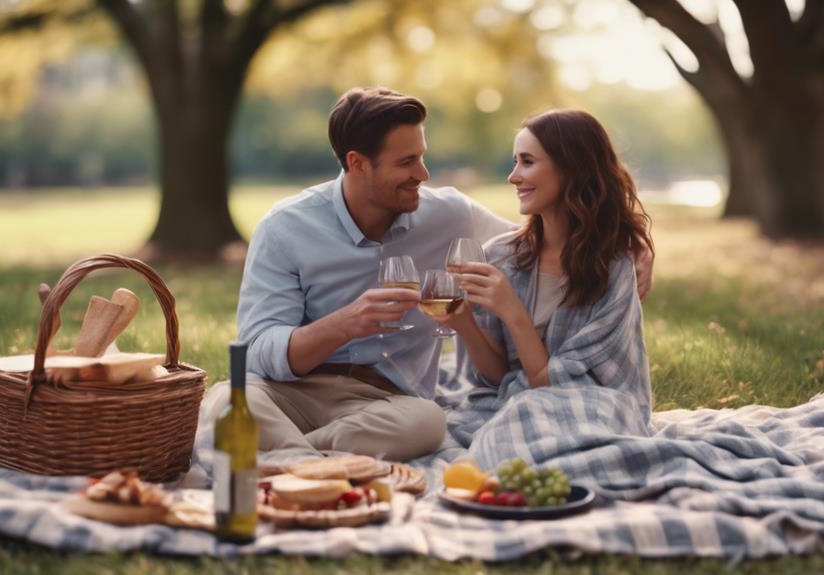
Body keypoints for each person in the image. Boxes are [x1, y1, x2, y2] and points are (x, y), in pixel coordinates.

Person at [214, 89, 652, 463]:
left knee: (428, 423)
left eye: (421, 157)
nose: (422, 175)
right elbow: (253, 350)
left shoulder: (449, 214)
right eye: (407, 162)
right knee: (224, 401)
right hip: (294, 392)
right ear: (358, 163)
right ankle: (310, 465)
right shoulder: (286, 228)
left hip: (388, 403)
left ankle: (284, 462)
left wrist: (633, 245)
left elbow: (538, 245)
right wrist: (344, 324)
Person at [441, 109, 654, 429]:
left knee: (535, 419)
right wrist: (464, 323)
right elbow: (498, 379)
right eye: (515, 162)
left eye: (527, 162)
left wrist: (512, 310)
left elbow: (554, 385)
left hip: (595, 406)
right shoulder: (499, 256)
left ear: (571, 168)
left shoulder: (613, 269)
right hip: (523, 403)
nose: (513, 176)